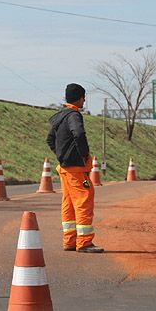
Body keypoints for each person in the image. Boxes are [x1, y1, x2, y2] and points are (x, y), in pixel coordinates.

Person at [46, 83, 104, 253]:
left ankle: (70, 240)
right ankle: (84, 242)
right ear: (79, 98)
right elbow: (78, 134)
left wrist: (61, 155)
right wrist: (84, 154)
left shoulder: (60, 116)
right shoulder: (73, 115)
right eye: (84, 97)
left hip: (65, 169)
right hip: (76, 169)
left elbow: (50, 139)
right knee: (84, 201)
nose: (84, 100)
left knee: (69, 204)